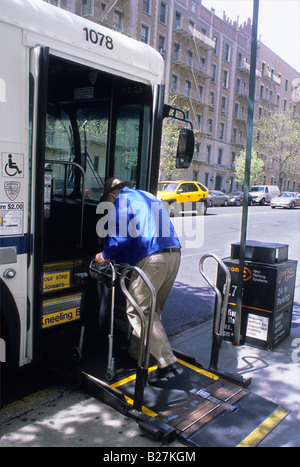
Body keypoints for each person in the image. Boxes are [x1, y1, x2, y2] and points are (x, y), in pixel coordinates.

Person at [95, 177, 183, 383]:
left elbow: (120, 237)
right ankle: (138, 355)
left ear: (111, 195)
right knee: (152, 312)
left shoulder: (121, 200)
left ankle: (168, 362)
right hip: (174, 255)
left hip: (154, 259)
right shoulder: (147, 196)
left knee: (137, 310)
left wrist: (105, 255)